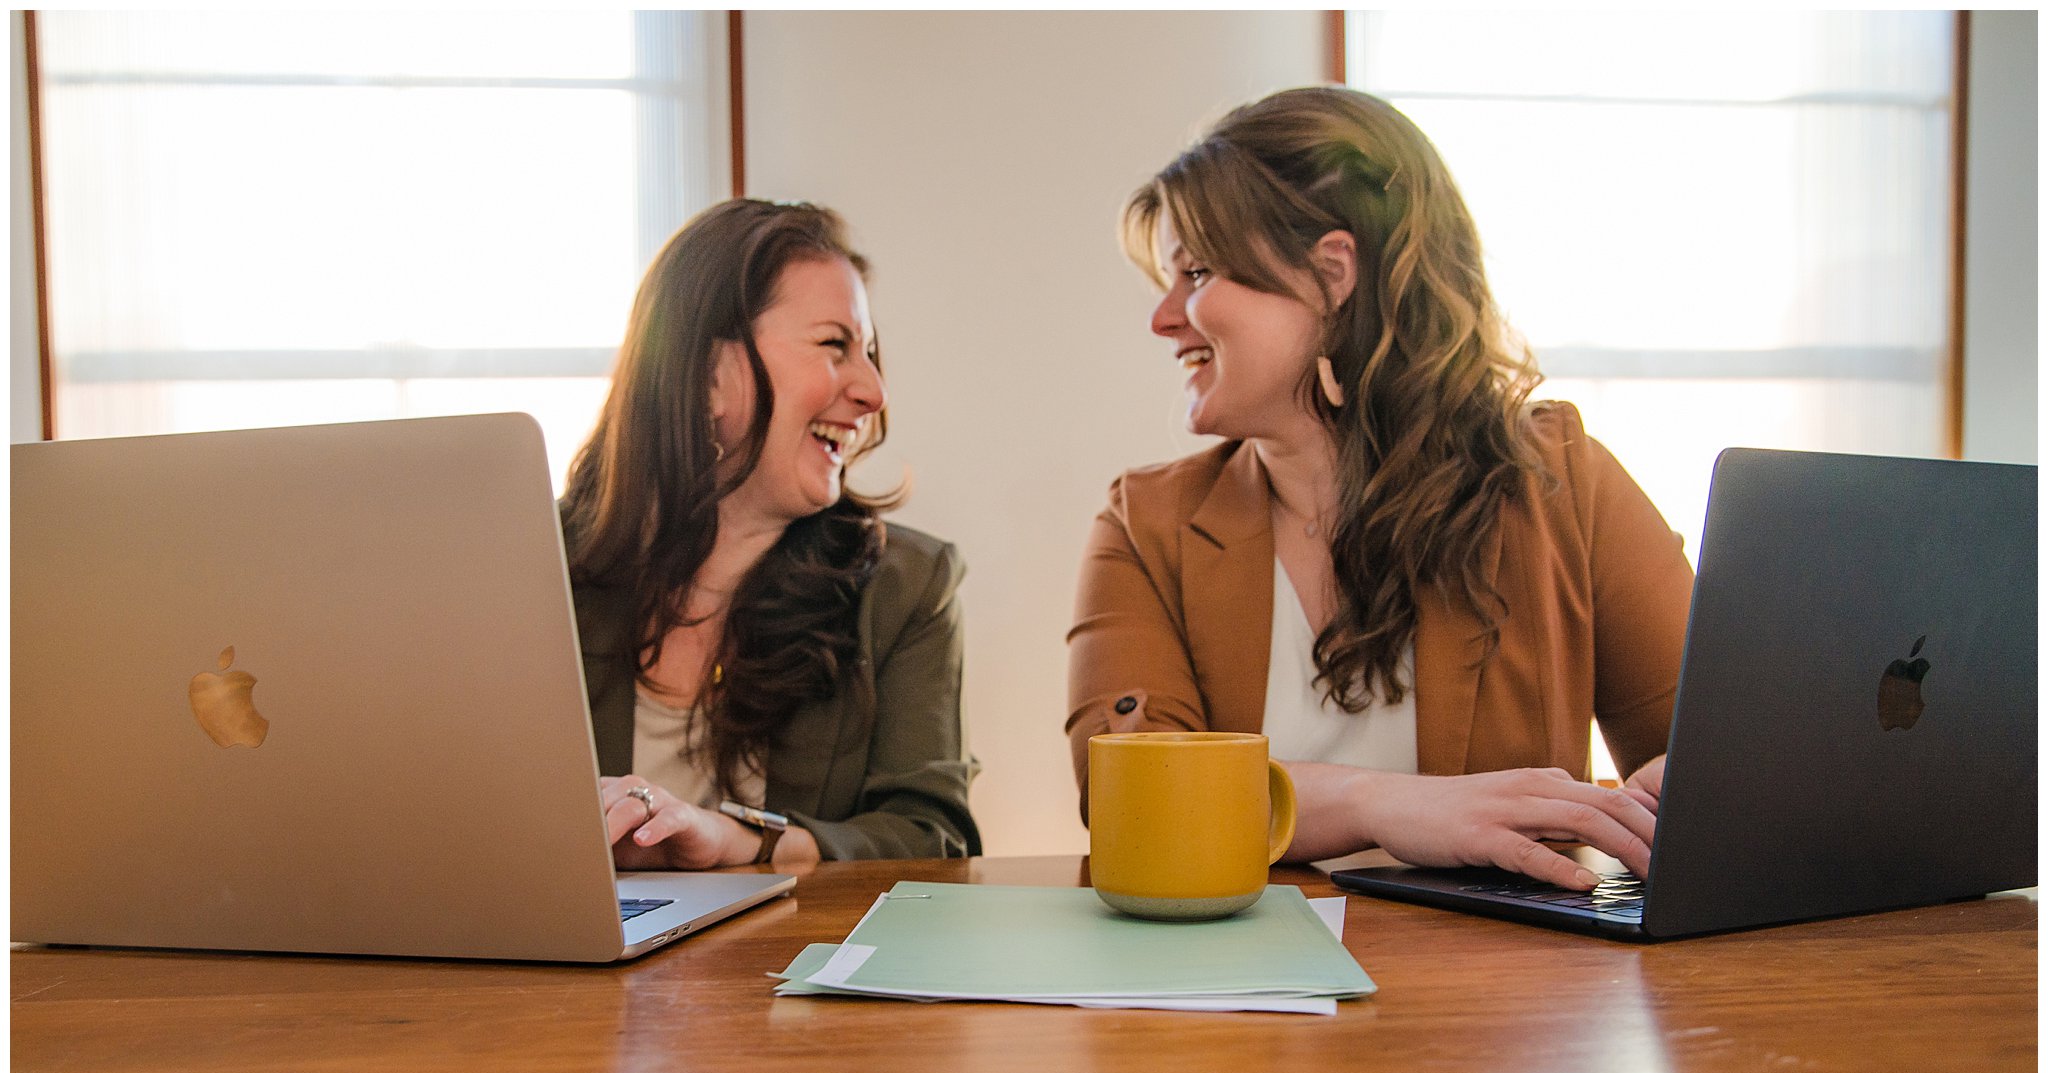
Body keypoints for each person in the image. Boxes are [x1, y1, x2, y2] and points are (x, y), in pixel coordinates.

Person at [1066, 87, 1693, 891]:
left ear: (1331, 276)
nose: (1163, 317)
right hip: (1232, 1000)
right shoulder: (1145, 523)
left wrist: (1684, 790)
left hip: (1505, 998)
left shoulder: (1561, 483)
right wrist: (1381, 806)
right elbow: (1129, 800)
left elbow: (1712, 754)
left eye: (1195, 272)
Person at [560, 198, 979, 873]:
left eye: (869, 353)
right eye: (833, 345)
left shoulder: (907, 586)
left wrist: (744, 840)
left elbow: (933, 836)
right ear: (705, 374)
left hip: (783, 975)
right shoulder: (532, 568)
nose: (873, 392)